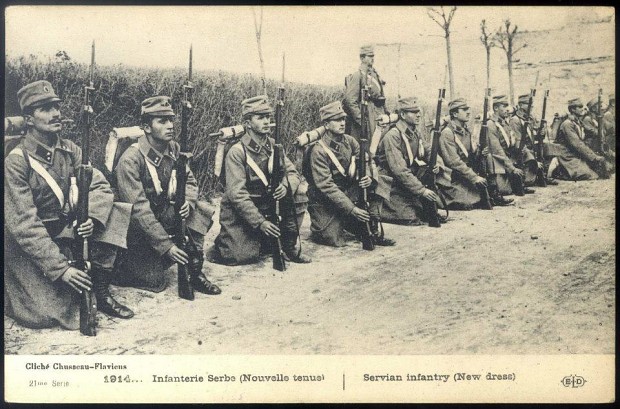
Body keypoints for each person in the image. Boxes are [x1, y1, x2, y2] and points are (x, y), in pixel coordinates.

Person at [4, 80, 134, 330]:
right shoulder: (17, 162)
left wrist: (91, 219)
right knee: (42, 315)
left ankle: (101, 290)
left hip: (65, 231)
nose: (55, 114)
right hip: (30, 243)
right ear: (29, 119)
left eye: (56, 106)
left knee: (115, 211)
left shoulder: (70, 150)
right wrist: (61, 269)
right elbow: (24, 226)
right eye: (45, 109)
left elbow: (101, 187)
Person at [115, 96, 221, 295]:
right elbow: (139, 211)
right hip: (137, 230)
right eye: (162, 121)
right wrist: (166, 246)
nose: (170, 126)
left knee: (198, 210)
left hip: (163, 217)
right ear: (146, 127)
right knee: (155, 281)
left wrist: (188, 202)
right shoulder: (131, 159)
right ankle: (124, 266)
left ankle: (195, 270)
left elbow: (189, 182)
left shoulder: (173, 149)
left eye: (171, 120)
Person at [213, 95, 311, 265]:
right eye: (260, 118)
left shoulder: (273, 145)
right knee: (241, 257)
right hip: (243, 212)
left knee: (299, 195)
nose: (266, 121)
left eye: (268, 117)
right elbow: (237, 195)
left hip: (268, 205)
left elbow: (293, 174)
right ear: (248, 123)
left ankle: (288, 246)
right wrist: (260, 222)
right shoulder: (238, 151)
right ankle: (224, 245)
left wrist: (286, 186)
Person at [303, 100, 395, 246]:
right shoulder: (318, 150)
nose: (342, 123)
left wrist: (368, 178)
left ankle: (372, 226)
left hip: (347, 193)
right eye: (337, 120)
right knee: (331, 237)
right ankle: (336, 223)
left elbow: (365, 162)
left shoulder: (351, 142)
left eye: (343, 119)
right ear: (326, 125)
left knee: (380, 181)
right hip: (325, 200)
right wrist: (352, 209)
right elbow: (326, 186)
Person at [374, 97, 447, 224]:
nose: (418, 114)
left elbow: (429, 151)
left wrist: (436, 164)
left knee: (425, 211)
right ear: (402, 114)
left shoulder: (415, 133)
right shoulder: (393, 136)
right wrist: (422, 190)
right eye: (413, 112)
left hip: (405, 182)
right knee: (410, 217)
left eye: (418, 111)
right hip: (390, 183)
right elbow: (399, 170)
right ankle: (381, 208)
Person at [438, 98, 513, 208]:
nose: (468, 112)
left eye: (468, 109)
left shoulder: (466, 131)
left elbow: (471, 156)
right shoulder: (447, 133)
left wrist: (480, 153)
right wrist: (474, 177)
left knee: (488, 157)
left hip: (465, 173)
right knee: (469, 203)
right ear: (454, 114)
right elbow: (453, 162)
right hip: (454, 177)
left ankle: (494, 193)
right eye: (464, 110)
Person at [552, 98, 610, 180]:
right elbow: (577, 144)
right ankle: (561, 171)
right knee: (590, 175)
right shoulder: (567, 124)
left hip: (577, 154)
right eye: (579, 107)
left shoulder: (577, 122)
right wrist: (594, 157)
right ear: (573, 109)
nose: (582, 108)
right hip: (568, 155)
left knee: (604, 170)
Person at [489, 95, 532, 195]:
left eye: (506, 106)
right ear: (495, 108)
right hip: (497, 162)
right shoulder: (491, 124)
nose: (507, 110)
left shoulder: (504, 123)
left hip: (508, 159)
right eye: (503, 106)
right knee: (505, 191)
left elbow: (514, 141)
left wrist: (522, 151)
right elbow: (497, 150)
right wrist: (512, 168)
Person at [343, 44, 387, 141]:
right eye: (369, 56)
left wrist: (386, 113)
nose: (372, 59)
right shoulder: (357, 76)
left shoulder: (375, 75)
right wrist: (361, 120)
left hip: (378, 116)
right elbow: (350, 100)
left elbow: (381, 96)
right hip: (367, 117)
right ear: (362, 58)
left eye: (373, 56)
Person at [508, 93, 543, 189]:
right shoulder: (515, 120)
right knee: (528, 181)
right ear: (520, 105)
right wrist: (533, 160)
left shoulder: (530, 118)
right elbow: (518, 144)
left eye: (531, 104)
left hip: (531, 151)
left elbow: (536, 136)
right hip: (522, 154)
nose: (531, 106)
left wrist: (541, 131)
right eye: (528, 104)